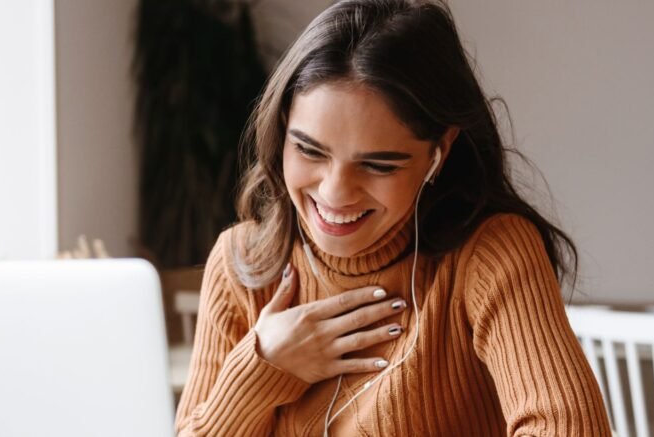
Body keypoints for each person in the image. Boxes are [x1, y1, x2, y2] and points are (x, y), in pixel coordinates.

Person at [175, 0, 611, 435]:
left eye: (379, 165)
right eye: (309, 149)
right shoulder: (242, 263)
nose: (334, 193)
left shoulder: (491, 252)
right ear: (283, 128)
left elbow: (571, 427)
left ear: (437, 154)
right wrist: (263, 366)